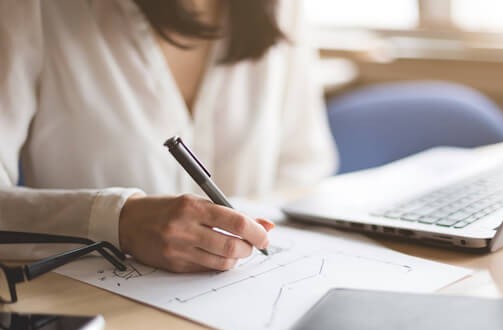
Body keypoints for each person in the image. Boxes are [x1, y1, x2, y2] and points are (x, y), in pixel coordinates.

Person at [0, 0, 337, 272]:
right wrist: (118, 222)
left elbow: (305, 167)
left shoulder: (281, 8)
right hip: (104, 318)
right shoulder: (34, 9)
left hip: (254, 306)